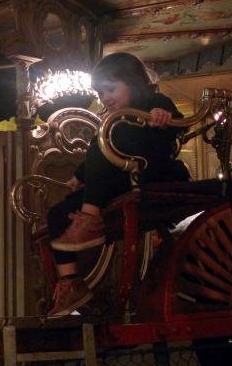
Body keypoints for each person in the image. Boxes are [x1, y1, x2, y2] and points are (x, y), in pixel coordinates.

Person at [46, 52, 188, 316]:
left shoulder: (153, 101)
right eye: (101, 93)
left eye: (110, 89)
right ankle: (70, 283)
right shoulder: (112, 121)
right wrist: (81, 176)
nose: (105, 97)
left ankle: (89, 219)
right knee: (57, 214)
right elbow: (96, 156)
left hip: (149, 174)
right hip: (118, 181)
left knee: (107, 136)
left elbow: (175, 121)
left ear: (132, 82)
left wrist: (161, 115)